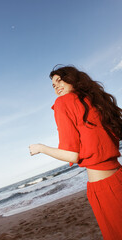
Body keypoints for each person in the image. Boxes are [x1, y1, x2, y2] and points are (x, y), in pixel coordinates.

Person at [29, 65, 122, 240]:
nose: (56, 86)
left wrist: (40, 148)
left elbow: (72, 155)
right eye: (53, 85)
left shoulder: (63, 103)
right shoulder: (95, 101)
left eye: (60, 80)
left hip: (105, 189)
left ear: (72, 79)